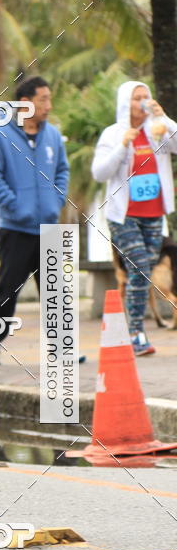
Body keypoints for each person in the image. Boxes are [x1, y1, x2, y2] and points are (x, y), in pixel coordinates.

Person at [0, 76, 70, 365]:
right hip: (16, 228)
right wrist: (16, 206)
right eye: (43, 99)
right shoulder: (0, 133)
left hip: (49, 226)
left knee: (55, 291)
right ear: (25, 103)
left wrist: (56, 200)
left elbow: (62, 171)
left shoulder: (52, 135)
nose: (48, 105)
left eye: (49, 99)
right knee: (8, 291)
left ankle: (61, 348)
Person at [92, 80, 177, 355]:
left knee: (143, 274)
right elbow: (99, 173)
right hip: (123, 215)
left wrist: (163, 116)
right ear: (124, 103)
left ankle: (135, 330)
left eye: (146, 96)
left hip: (154, 215)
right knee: (139, 268)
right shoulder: (113, 134)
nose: (143, 101)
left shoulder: (157, 131)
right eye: (136, 97)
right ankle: (136, 332)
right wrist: (122, 146)